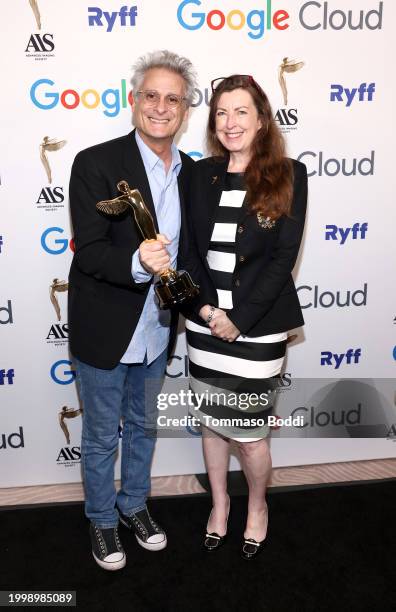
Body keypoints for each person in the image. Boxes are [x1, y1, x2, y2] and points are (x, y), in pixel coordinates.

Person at [68, 50, 202, 571]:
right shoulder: (96, 163)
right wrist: (138, 261)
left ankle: (135, 507)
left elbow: (189, 253)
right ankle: (102, 520)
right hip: (106, 326)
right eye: (151, 95)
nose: (161, 107)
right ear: (133, 101)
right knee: (103, 434)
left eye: (173, 99)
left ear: (186, 110)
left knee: (143, 428)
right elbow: (91, 250)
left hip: (157, 327)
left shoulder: (191, 172)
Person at [184, 75, 308, 560]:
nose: (230, 122)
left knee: (251, 436)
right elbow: (190, 251)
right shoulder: (199, 175)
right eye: (221, 112)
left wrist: (239, 319)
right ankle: (219, 506)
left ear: (261, 120)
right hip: (204, 325)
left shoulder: (288, 174)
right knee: (213, 425)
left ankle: (256, 506)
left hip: (257, 330)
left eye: (241, 112)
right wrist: (208, 311)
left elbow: (283, 259)